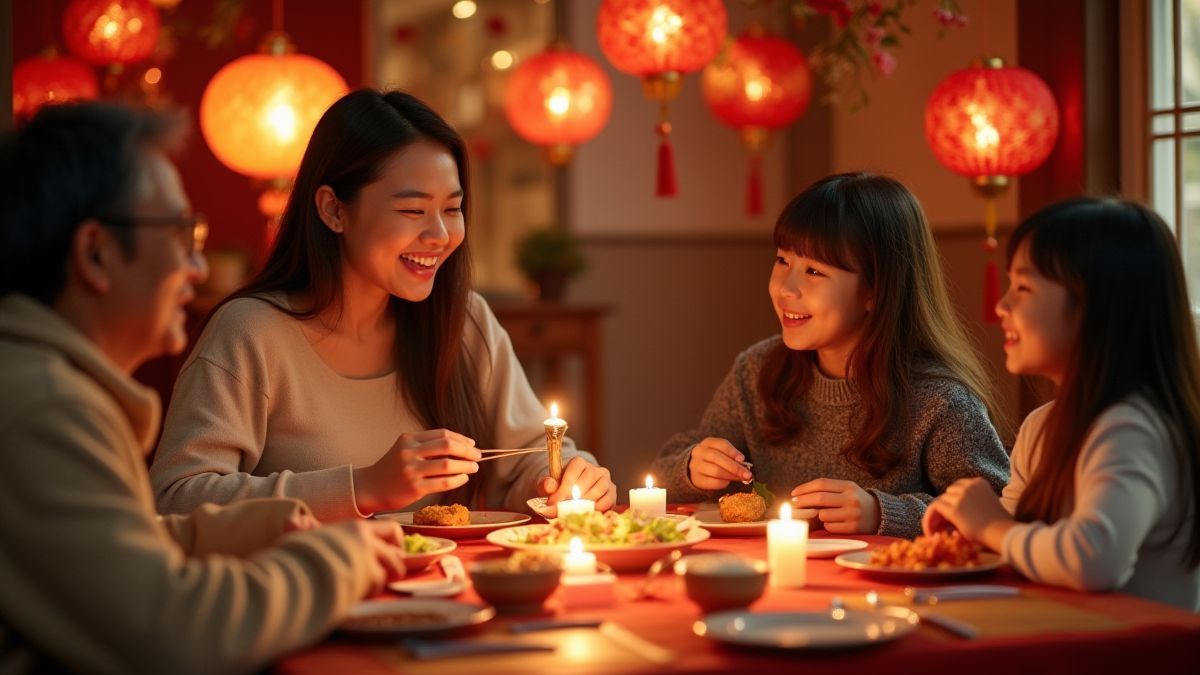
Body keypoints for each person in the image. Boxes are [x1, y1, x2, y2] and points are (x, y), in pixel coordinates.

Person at [0, 102, 407, 673]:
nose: (197, 267)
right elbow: (174, 631)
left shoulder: (47, 385)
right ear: (96, 253)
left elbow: (121, 549)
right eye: (180, 233)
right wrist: (337, 560)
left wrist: (259, 525)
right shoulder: (47, 408)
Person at [150, 89, 614, 521]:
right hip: (309, 583)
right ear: (334, 210)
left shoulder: (464, 319)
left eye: (452, 209)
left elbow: (529, 457)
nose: (439, 235)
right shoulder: (251, 332)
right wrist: (363, 487)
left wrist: (565, 478)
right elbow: (175, 499)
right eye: (412, 211)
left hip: (447, 582)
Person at [651, 172, 1009, 538]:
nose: (786, 289)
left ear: (875, 290)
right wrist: (694, 468)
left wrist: (883, 512)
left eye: (814, 271)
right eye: (782, 260)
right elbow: (661, 474)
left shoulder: (940, 399)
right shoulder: (757, 371)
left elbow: (999, 511)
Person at [923, 198, 1200, 611]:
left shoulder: (1132, 426)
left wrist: (992, 527)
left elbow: (1094, 561)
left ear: (1097, 306)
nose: (1001, 306)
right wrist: (969, 530)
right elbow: (1015, 538)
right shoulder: (1041, 426)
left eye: (1023, 288)